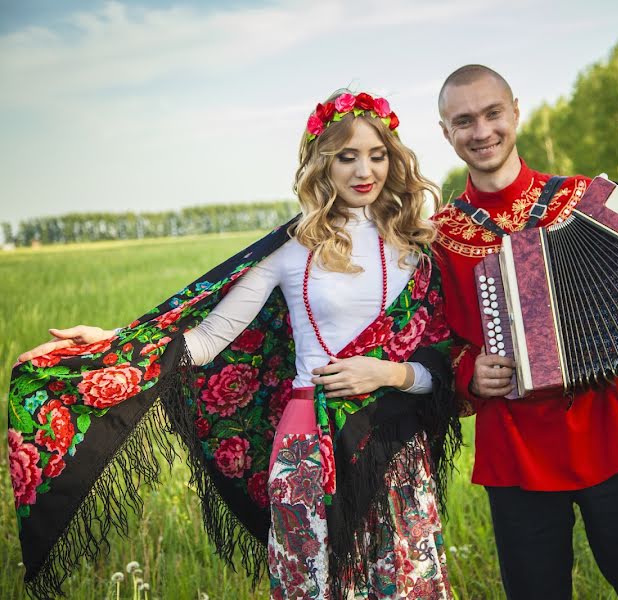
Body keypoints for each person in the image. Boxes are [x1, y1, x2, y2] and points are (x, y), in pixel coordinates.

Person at [11, 90, 460, 599]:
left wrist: (390, 374)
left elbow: (440, 362)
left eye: (377, 155)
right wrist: (113, 342)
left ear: (393, 159)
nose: (365, 170)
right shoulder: (293, 248)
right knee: (308, 583)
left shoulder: (416, 249)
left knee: (401, 583)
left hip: (392, 441)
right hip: (307, 444)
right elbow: (207, 338)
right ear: (322, 164)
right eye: (347, 156)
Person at [431, 64, 618, 599]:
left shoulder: (585, 198)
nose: (481, 132)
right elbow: (433, 342)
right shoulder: (439, 237)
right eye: (463, 121)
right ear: (445, 132)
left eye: (492, 113)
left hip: (611, 436)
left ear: (516, 112)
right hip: (515, 453)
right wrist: (468, 373)